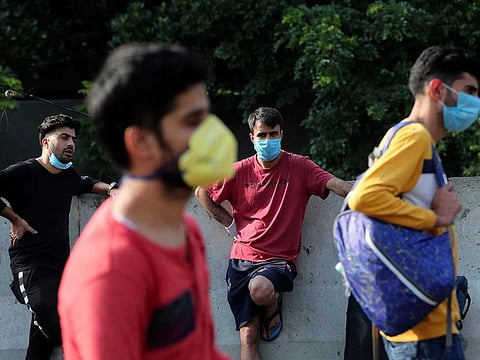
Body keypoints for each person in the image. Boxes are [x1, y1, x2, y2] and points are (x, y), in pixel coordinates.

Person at [58, 43, 236, 360]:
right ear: (140, 141)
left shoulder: (185, 230)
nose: (214, 134)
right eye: (193, 121)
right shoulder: (110, 270)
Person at [347, 45, 480, 359]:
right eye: (469, 90)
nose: (475, 101)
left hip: (424, 323)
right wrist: (434, 219)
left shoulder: (404, 136)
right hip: (425, 331)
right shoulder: (415, 138)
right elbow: (363, 197)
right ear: (437, 88)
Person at [195, 106, 352, 360]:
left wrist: (367, 196)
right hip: (241, 259)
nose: (268, 140)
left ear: (282, 134)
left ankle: (271, 308)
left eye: (273, 134)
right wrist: (229, 223)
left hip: (278, 261)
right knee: (248, 337)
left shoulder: (300, 166)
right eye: (262, 135)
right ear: (252, 138)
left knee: (260, 289)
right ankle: (265, 311)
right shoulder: (238, 170)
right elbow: (202, 192)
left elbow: (336, 185)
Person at [0, 113, 118, 360]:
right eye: (64, 137)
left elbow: (86, 183)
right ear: (45, 142)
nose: (71, 144)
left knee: (41, 341)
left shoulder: (68, 176)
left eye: (73, 139)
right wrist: (15, 218)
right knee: (54, 325)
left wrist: (110, 188)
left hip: (63, 269)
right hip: (30, 266)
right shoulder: (21, 172)